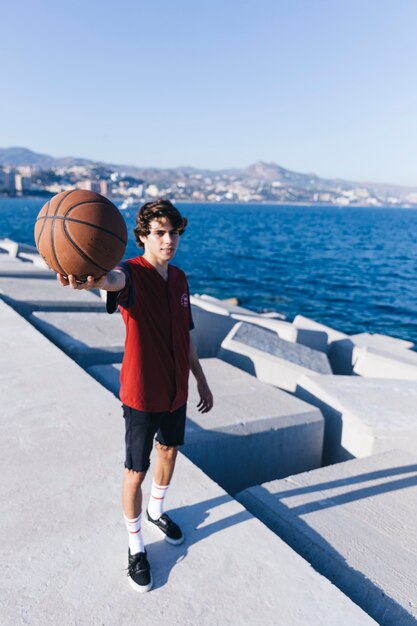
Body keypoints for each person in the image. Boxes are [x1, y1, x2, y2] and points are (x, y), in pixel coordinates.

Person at [57, 199, 213, 593]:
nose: (169, 239)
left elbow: (187, 335)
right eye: (160, 232)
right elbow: (110, 280)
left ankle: (157, 510)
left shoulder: (179, 278)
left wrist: (201, 379)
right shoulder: (130, 273)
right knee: (135, 472)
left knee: (170, 452)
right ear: (143, 235)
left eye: (174, 232)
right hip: (142, 392)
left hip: (177, 388)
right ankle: (135, 546)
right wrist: (88, 280)